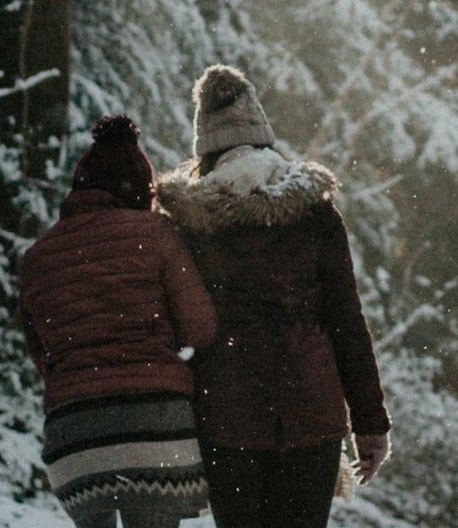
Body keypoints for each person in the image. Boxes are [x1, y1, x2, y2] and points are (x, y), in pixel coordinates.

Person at [156, 66, 391, 528]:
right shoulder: (315, 213)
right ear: (264, 138)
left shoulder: (191, 224)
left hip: (228, 417)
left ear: (206, 146)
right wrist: (371, 423)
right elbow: (347, 322)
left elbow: (178, 323)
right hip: (311, 414)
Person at [20, 113, 219, 528]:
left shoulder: (37, 257)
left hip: (75, 433)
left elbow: (41, 351)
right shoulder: (157, 234)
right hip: (154, 423)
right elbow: (201, 327)